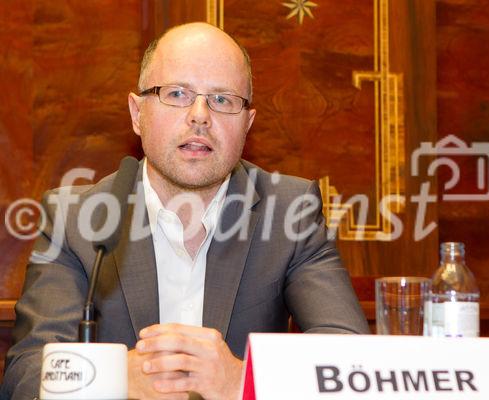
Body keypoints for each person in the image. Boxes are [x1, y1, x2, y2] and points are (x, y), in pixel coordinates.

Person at [1, 22, 369, 400]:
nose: (199, 115)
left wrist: (242, 382)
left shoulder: (291, 211)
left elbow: (351, 360)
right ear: (136, 112)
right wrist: (115, 377)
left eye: (222, 100)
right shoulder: (77, 219)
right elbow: (25, 375)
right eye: (177, 93)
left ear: (248, 124)